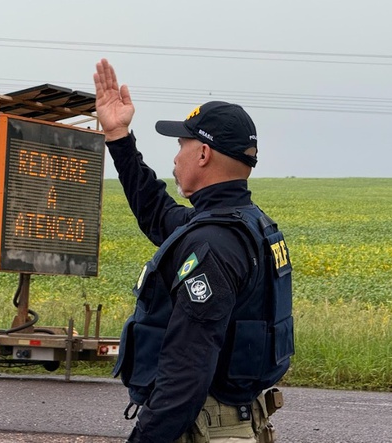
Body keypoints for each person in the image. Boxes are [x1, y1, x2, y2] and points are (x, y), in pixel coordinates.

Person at [93, 58, 294, 443]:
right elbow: (157, 214)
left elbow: (186, 372)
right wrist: (118, 136)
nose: (175, 155)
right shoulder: (245, 223)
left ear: (203, 154)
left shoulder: (213, 245)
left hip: (207, 429)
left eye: (182, 144)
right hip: (236, 419)